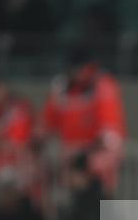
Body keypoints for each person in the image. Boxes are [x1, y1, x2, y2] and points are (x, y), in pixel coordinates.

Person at [42, 49, 128, 193]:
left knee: (98, 196)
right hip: (71, 157)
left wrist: (86, 155)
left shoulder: (104, 85)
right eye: (77, 70)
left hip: (98, 155)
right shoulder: (61, 88)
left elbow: (110, 131)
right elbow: (47, 125)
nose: (81, 74)